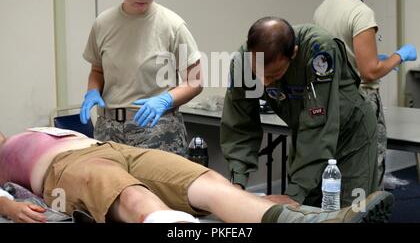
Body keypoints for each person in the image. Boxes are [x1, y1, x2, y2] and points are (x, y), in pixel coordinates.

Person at [0, 128, 393, 223]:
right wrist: (10, 206)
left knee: (207, 183)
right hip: (65, 169)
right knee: (135, 199)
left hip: (112, 146)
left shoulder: (23, 129)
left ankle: (316, 219)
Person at [221, 17, 380, 208]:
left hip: (351, 138)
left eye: (274, 74)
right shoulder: (242, 61)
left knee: (351, 211)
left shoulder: (319, 51)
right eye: (259, 73)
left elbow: (319, 123)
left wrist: (294, 193)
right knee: (306, 210)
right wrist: (237, 182)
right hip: (306, 136)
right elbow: (240, 123)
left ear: (294, 53)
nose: (265, 82)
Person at [313, 0, 417, 186]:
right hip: (361, 102)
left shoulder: (322, 9)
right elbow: (370, 72)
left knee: (341, 167)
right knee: (368, 168)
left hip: (332, 100)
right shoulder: (360, 12)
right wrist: (398, 56)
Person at [80, 0, 203, 156]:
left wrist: (166, 100)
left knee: (155, 188)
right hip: (109, 129)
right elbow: (97, 70)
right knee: (110, 187)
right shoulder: (103, 23)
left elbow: (196, 81)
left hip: (157, 130)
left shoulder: (172, 25)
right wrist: (92, 91)